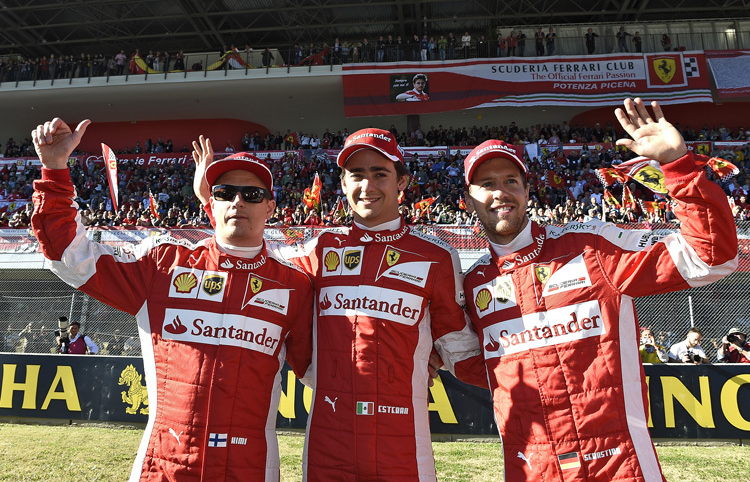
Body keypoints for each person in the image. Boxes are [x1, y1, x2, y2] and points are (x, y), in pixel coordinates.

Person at [462, 98, 737, 481]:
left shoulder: (592, 245)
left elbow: (712, 257)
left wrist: (677, 164)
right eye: (486, 184)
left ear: (528, 191)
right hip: (532, 468)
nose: (500, 192)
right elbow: (471, 364)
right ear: (468, 199)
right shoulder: (471, 282)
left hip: (618, 464)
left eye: (511, 181)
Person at [190, 128, 485, 482]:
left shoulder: (437, 257)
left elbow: (459, 348)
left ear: (402, 181)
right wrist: (213, 203)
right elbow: (249, 256)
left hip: (403, 445)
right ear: (343, 184)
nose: (367, 185)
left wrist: (425, 361)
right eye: (356, 175)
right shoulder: (319, 249)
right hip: (327, 446)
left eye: (380, 173)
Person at [31, 119, 314, 481]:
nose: (237, 202)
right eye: (225, 193)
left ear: (271, 207)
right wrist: (54, 169)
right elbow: (70, 256)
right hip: (163, 467)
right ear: (212, 203)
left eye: (252, 195)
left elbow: (325, 376)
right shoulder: (164, 263)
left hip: (251, 469)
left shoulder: (294, 284)